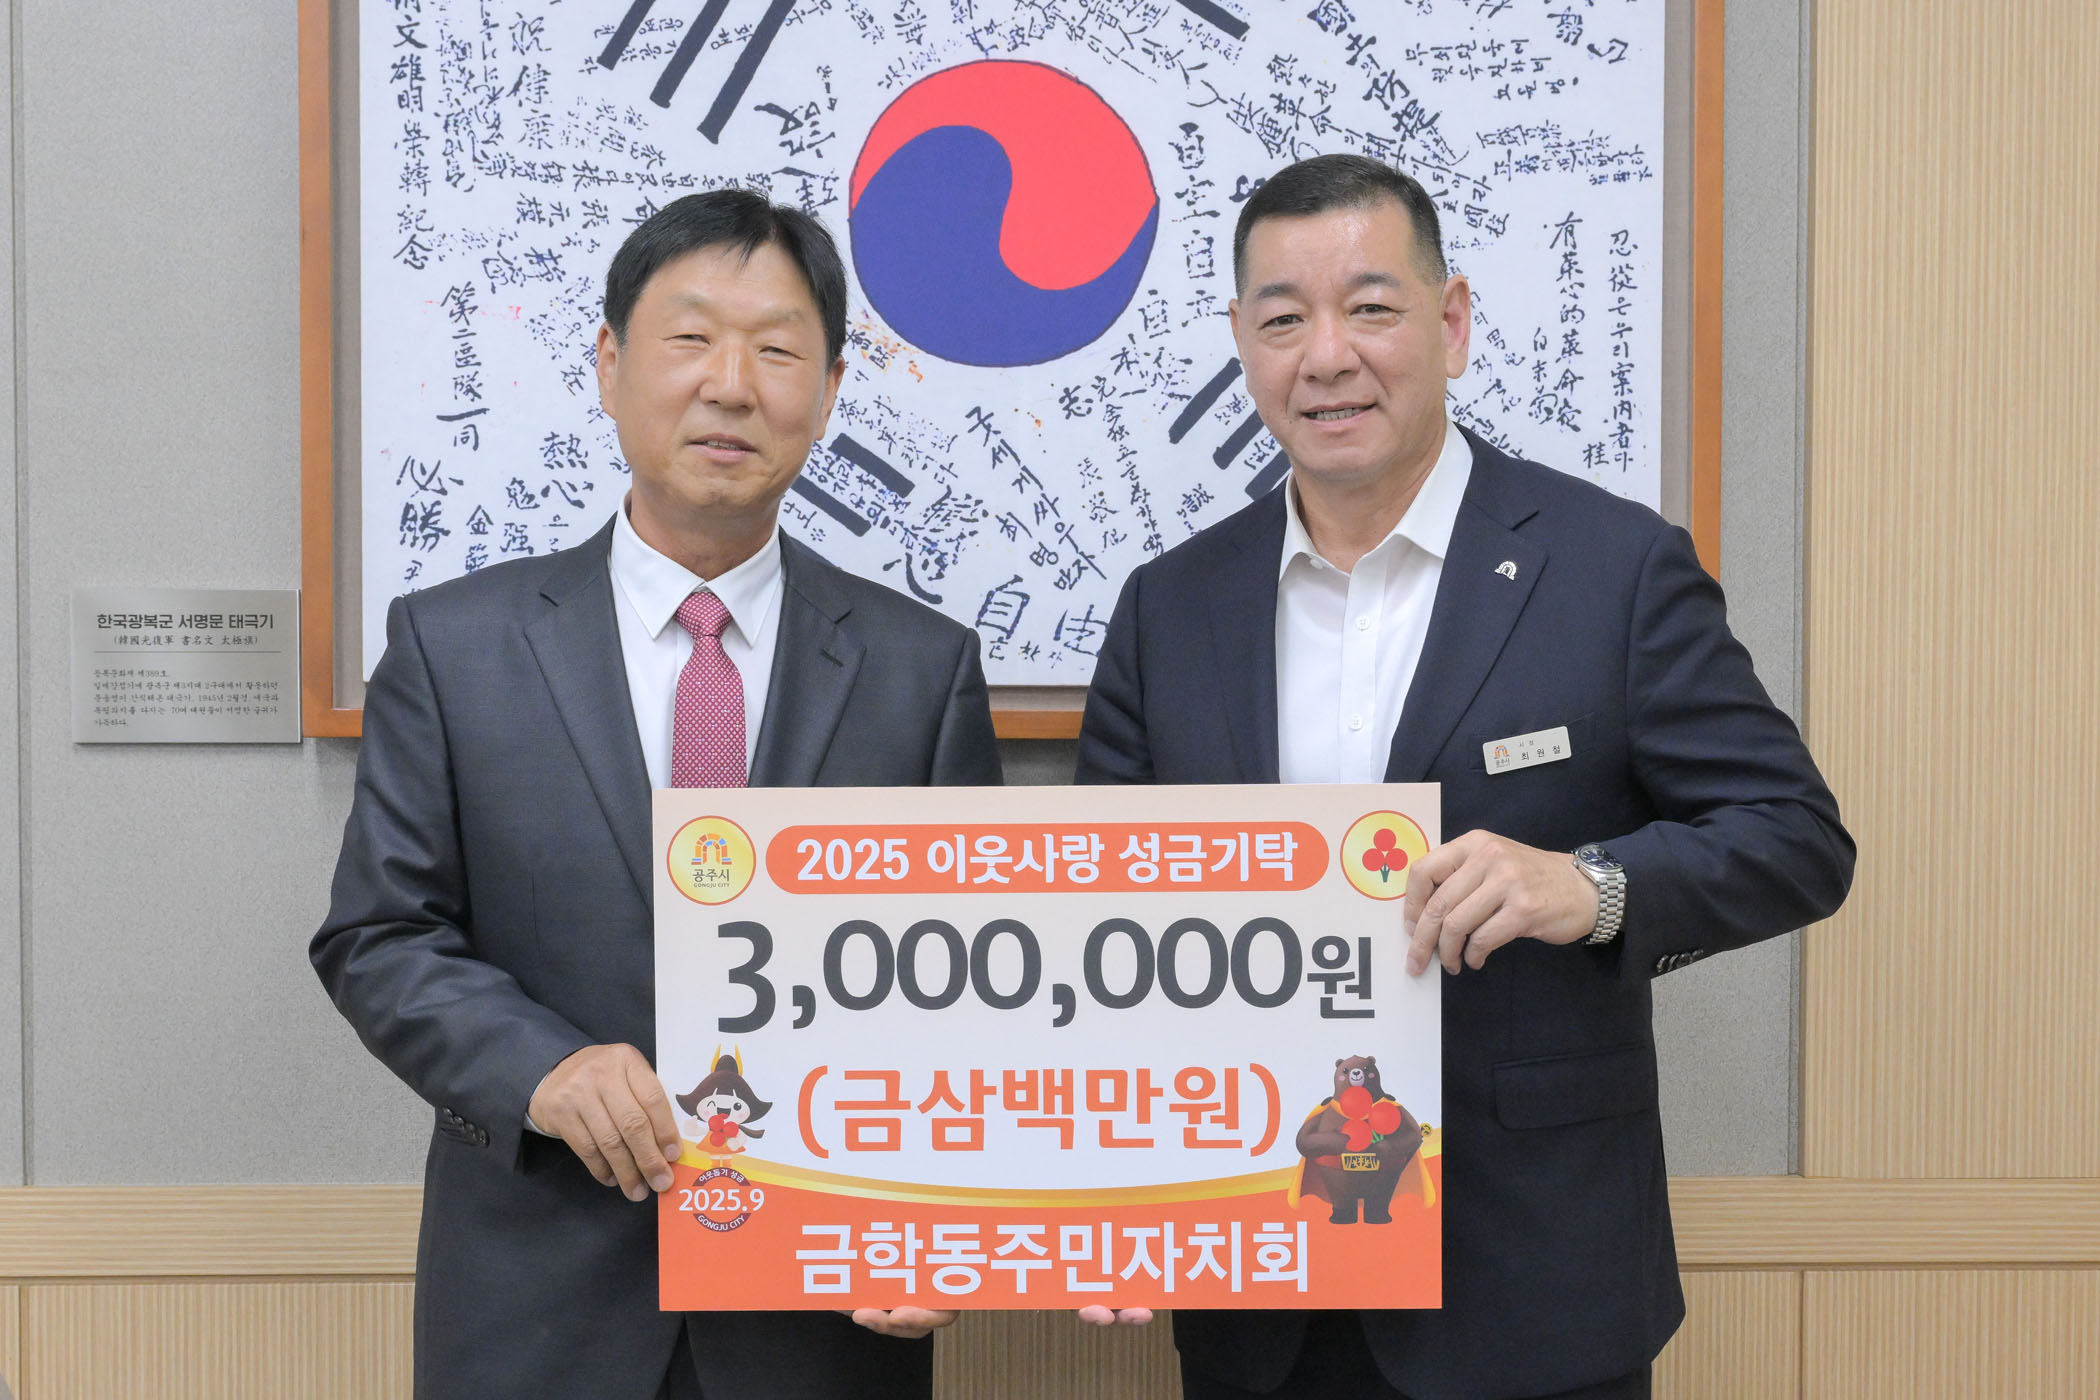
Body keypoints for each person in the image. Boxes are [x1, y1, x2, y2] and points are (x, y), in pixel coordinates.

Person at [1074, 154, 1853, 1399]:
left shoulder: (1612, 569)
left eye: (1371, 308)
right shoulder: (1171, 607)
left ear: (1451, 323)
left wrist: (1587, 886)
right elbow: (1098, 927)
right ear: (1243, 345)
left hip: (1531, 1281)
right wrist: (1107, 1203)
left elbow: (1797, 837)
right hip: (1255, 1287)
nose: (1327, 356)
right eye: (1283, 320)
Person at [313, 189, 1001, 1400]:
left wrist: (939, 1219)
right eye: (690, 338)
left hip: (820, 1315)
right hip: (535, 1306)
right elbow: (380, 935)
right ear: (610, 363)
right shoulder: (453, 646)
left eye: (777, 350)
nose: (730, 385)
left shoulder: (921, 667)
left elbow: (973, 983)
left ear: (830, 391)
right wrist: (543, 1068)